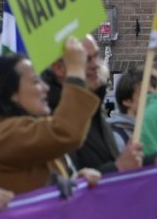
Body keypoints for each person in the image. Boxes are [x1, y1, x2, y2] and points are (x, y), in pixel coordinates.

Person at [0, 38, 101, 195]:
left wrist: (73, 182)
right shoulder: (0, 135)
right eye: (36, 81)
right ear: (11, 93)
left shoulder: (17, 129)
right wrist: (76, 72)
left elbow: (37, 181)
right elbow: (66, 132)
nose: (45, 88)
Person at [43, 35, 142, 173]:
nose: (96, 64)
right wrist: (118, 167)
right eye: (85, 59)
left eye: (96, 56)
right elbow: (68, 180)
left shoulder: (93, 108)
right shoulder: (50, 119)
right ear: (59, 68)